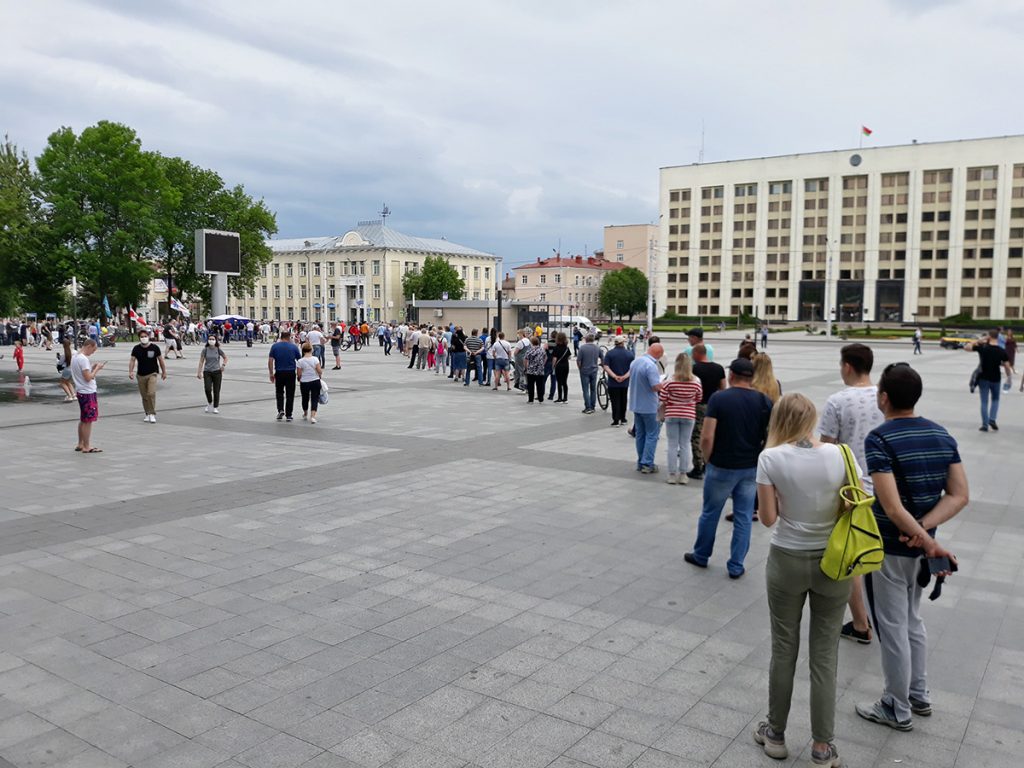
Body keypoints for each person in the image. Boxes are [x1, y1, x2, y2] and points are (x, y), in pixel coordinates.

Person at [856, 363, 968, 732]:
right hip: (920, 550)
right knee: (911, 621)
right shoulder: (941, 434)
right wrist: (925, 532)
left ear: (884, 398)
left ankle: (896, 705)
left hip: (889, 546)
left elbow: (890, 506)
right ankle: (919, 694)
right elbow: (959, 495)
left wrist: (922, 536)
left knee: (891, 627)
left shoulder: (880, 439)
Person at [753, 393, 856, 767]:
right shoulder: (841, 455)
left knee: (784, 648)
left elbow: (766, 519)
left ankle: (776, 734)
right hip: (833, 560)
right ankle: (822, 747)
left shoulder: (770, 458)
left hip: (787, 560)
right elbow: (850, 506)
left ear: (779, 419)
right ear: (812, 419)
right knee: (825, 654)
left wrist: (783, 496)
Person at [684, 358, 773, 578]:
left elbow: (707, 436)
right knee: (743, 516)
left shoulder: (719, 399)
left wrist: (708, 460)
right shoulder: (764, 401)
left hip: (721, 465)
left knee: (710, 513)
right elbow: (769, 436)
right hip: (750, 467)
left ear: (731, 375)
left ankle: (702, 555)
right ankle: (736, 565)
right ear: (751, 377)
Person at [818, 343, 882, 645]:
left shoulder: (837, 401)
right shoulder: (886, 395)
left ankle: (860, 623)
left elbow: (826, 447)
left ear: (847, 367)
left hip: (853, 491)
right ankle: (884, 615)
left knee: (851, 555)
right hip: (888, 488)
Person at [660, 353, 702, 485]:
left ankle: (672, 475)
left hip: (672, 414)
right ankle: (683, 474)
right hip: (689, 415)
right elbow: (699, 398)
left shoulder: (670, 381)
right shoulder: (696, 381)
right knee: (685, 445)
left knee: (672, 445)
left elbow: (662, 398)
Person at [688, 344, 726, 480]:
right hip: (714, 406)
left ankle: (698, 467)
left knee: (697, 436)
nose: (692, 357)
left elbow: (690, 387)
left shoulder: (694, 369)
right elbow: (723, 388)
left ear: (698, 353)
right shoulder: (719, 368)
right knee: (712, 434)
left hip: (698, 406)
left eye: (693, 354)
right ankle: (709, 463)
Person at [627, 342, 666, 473]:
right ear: (659, 354)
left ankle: (640, 461)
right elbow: (655, 386)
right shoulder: (651, 366)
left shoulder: (635, 362)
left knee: (640, 435)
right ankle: (647, 463)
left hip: (636, 404)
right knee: (652, 435)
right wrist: (663, 384)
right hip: (649, 406)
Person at [968, 329, 1012, 431]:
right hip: (996, 378)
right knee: (995, 399)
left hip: (983, 378)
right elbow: (1006, 365)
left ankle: (985, 425)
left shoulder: (983, 348)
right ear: (998, 337)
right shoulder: (1001, 351)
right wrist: (1009, 377)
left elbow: (967, 347)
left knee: (984, 401)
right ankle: (992, 419)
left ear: (989, 336)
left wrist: (981, 339)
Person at [71, 338, 105, 453]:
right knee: (88, 420)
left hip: (81, 391)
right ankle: (87, 446)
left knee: (83, 419)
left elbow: (83, 373)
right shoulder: (83, 359)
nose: (93, 352)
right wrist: (97, 369)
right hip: (87, 392)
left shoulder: (75, 356)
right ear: (89, 346)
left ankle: (80, 443)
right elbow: (88, 378)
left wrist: (91, 368)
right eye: (93, 349)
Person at [128, 329, 167, 423]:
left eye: (145, 336)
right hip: (140, 375)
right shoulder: (136, 348)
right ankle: (147, 413)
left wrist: (164, 372)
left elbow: (161, 360)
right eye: (142, 337)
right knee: (144, 396)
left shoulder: (154, 348)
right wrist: (130, 371)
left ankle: (152, 413)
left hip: (152, 373)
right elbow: (132, 360)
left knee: (151, 393)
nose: (144, 338)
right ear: (139, 338)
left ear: (149, 337)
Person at [268, 330, 301, 421]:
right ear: (289, 337)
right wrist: (299, 374)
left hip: (279, 372)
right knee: (290, 393)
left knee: (279, 392)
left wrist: (271, 373)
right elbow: (300, 361)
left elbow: (270, 360)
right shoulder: (294, 347)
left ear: (281, 337)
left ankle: (280, 410)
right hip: (290, 373)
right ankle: (289, 414)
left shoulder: (274, 346)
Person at [603, 336, 634, 426]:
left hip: (613, 382)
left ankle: (616, 420)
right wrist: (624, 377)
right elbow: (632, 368)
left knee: (614, 400)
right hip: (624, 383)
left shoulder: (610, 354)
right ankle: (623, 418)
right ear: (623, 343)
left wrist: (614, 376)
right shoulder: (629, 354)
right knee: (623, 399)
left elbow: (606, 366)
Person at [196, 334, 227, 413]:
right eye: (210, 339)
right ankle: (210, 402)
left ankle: (215, 407)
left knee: (216, 390)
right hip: (207, 372)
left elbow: (225, 357)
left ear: (215, 340)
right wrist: (199, 372)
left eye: (213, 339)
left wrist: (223, 365)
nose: (211, 340)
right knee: (207, 389)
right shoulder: (205, 350)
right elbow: (201, 361)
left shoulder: (218, 349)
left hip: (217, 372)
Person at [296, 341, 323, 423]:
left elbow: (299, 374)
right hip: (315, 380)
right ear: (312, 350)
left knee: (305, 398)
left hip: (304, 382)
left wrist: (299, 378)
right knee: (314, 398)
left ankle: (305, 413)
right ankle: (312, 416)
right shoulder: (315, 359)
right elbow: (319, 371)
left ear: (303, 351)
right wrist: (319, 375)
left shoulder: (300, 361)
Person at [577, 333, 603, 413]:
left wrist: (580, 368)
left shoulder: (582, 348)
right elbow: (602, 357)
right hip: (594, 370)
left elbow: (579, 361)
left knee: (585, 390)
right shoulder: (597, 348)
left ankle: (587, 407)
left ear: (586, 339)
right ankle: (593, 406)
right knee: (593, 389)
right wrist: (601, 364)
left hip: (584, 370)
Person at [524, 335, 547, 403]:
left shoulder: (529, 351)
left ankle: (531, 399)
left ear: (531, 343)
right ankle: (540, 398)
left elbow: (525, 359)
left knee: (531, 385)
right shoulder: (542, 350)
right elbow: (545, 357)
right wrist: (543, 364)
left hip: (531, 370)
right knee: (540, 385)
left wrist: (526, 367)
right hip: (540, 370)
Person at [550, 332, 571, 403]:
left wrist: (553, 366)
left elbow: (554, 359)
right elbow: (569, 357)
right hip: (565, 365)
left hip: (558, 366)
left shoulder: (556, 348)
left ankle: (559, 397)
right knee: (565, 382)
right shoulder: (567, 348)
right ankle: (565, 398)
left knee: (559, 382)